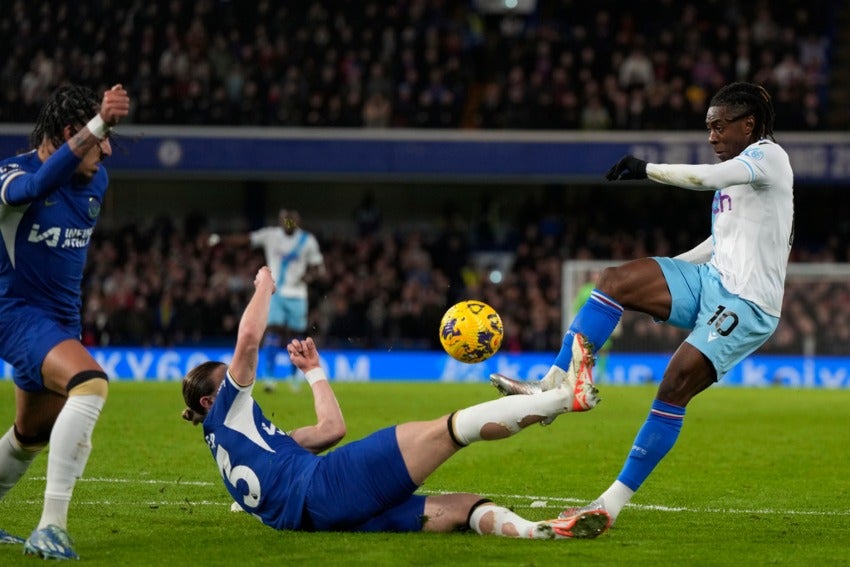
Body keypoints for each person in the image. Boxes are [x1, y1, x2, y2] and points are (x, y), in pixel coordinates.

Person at [492, 82, 793, 528]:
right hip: (711, 281)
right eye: (707, 127)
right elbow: (721, 242)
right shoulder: (740, 172)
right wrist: (668, 269)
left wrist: (647, 168)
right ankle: (558, 383)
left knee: (673, 385)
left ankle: (606, 507)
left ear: (749, 125)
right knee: (616, 280)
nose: (711, 137)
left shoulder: (768, 157)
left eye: (719, 127)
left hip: (747, 305)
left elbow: (703, 178)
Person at [181, 266, 610, 539]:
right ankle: (560, 398)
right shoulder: (226, 412)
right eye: (230, 379)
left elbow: (331, 430)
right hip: (329, 485)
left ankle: (542, 531)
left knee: (462, 508)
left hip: (327, 516)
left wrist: (314, 372)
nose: (243, 380)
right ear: (210, 399)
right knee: (448, 430)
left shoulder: (246, 447)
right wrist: (264, 287)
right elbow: (249, 341)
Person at [0, 83, 131, 559]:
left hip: (60, 323)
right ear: (74, 132)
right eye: (103, 139)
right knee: (91, 383)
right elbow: (34, 189)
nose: (109, 149)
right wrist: (99, 123)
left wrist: (95, 133)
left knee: (28, 437)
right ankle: (50, 527)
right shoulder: (10, 175)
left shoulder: (96, 181)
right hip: (15, 315)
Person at [210, 209, 324, 384]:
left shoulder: (307, 241)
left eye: (292, 221)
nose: (288, 223)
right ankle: (270, 375)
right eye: (285, 220)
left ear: (297, 222)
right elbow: (246, 240)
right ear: (281, 221)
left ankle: (294, 376)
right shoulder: (271, 235)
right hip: (276, 291)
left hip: (298, 294)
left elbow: (318, 267)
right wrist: (221, 239)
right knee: (273, 330)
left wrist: (309, 276)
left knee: (295, 335)